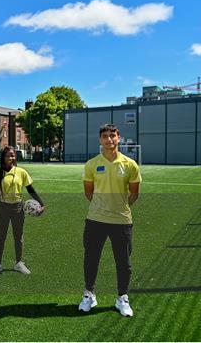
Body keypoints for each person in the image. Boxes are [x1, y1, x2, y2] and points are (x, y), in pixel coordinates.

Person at [79, 124, 141, 317]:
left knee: (124, 263)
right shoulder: (91, 164)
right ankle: (89, 294)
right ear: (100, 139)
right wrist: (102, 206)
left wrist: (119, 207)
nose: (109, 139)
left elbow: (134, 194)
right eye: (105, 136)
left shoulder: (130, 164)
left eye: (112, 136)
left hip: (122, 220)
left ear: (118, 137)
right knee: (91, 259)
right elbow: (88, 191)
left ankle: (122, 298)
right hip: (95, 220)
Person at [0, 146, 45, 276]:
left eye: (13, 155)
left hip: (18, 208)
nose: (11, 158)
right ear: (3, 157)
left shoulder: (21, 172)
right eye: (8, 156)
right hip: (2, 208)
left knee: (18, 237)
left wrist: (41, 204)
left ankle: (19, 263)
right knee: (0, 236)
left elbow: (30, 189)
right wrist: (1, 200)